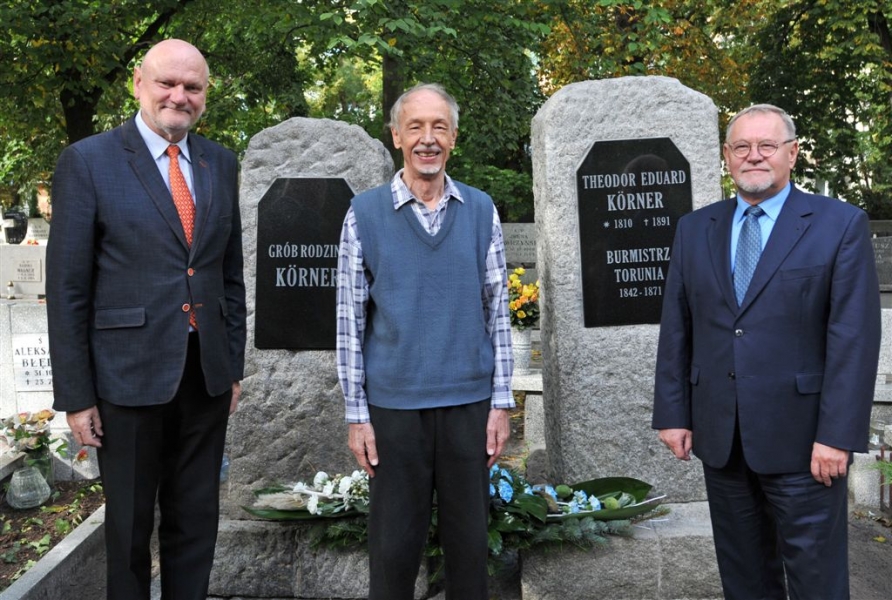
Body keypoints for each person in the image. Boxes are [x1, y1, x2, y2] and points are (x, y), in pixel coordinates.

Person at [653, 104, 881, 600]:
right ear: (727, 156)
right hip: (722, 440)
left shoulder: (839, 224)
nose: (753, 156)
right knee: (745, 580)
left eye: (767, 146)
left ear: (792, 154)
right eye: (741, 146)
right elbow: (678, 328)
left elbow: (854, 338)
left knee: (817, 582)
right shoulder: (695, 229)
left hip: (806, 445)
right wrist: (673, 414)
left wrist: (837, 436)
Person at [46, 39, 246, 600]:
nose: (179, 96)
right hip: (125, 379)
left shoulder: (219, 162)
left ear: (205, 94)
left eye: (193, 87)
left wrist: (231, 366)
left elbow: (228, 274)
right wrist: (77, 397)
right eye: (168, 83)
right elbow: (67, 288)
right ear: (138, 83)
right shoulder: (88, 161)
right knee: (129, 529)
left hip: (204, 377)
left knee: (196, 521)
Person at [336, 83, 514, 600]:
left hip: (468, 407)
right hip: (393, 410)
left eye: (439, 127)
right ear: (396, 136)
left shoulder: (481, 210)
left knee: (470, 553)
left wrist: (501, 403)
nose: (427, 139)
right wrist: (357, 415)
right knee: (393, 554)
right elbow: (349, 321)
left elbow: (497, 311)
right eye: (415, 127)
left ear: (454, 137)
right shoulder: (364, 214)